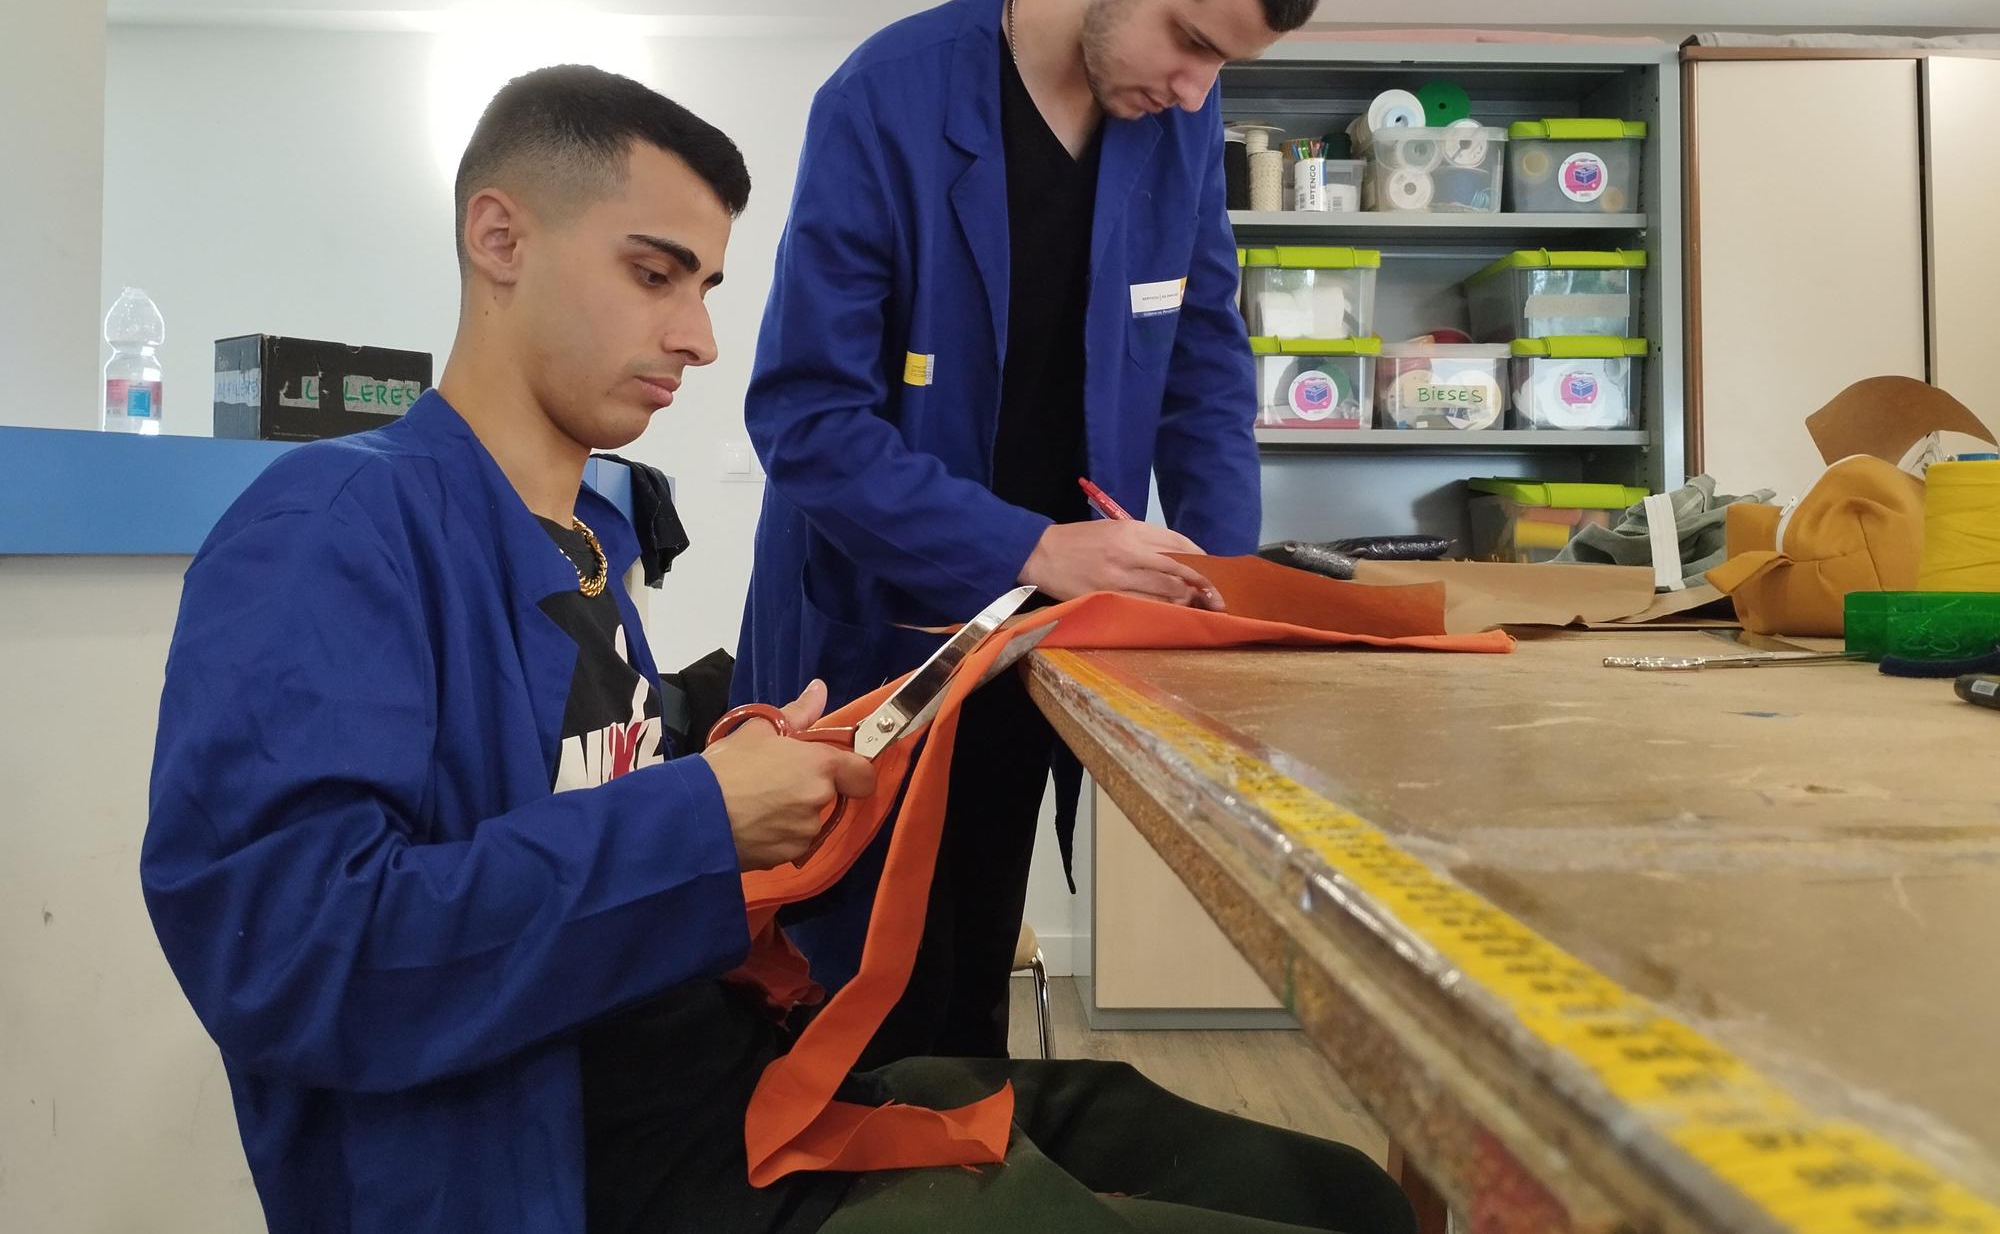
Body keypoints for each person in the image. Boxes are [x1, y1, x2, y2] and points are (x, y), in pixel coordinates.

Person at [140, 64, 1410, 1233]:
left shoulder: (584, 535)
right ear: (498, 237)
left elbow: (561, 794)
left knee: (1338, 1190)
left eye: (706, 289)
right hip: (586, 1174)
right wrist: (698, 819)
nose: (697, 337)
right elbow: (296, 957)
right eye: (654, 275)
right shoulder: (328, 531)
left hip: (743, 1082)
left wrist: (726, 756)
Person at [733, 0, 1336, 1059]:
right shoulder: (884, 100)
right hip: (876, 641)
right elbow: (805, 419)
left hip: (1043, 651)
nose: (1192, 90)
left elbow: (1205, 370)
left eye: (1224, 66)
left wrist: (1218, 587)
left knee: (966, 1010)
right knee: (845, 1014)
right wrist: (1030, 548)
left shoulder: (1171, 132)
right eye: (1188, 42)